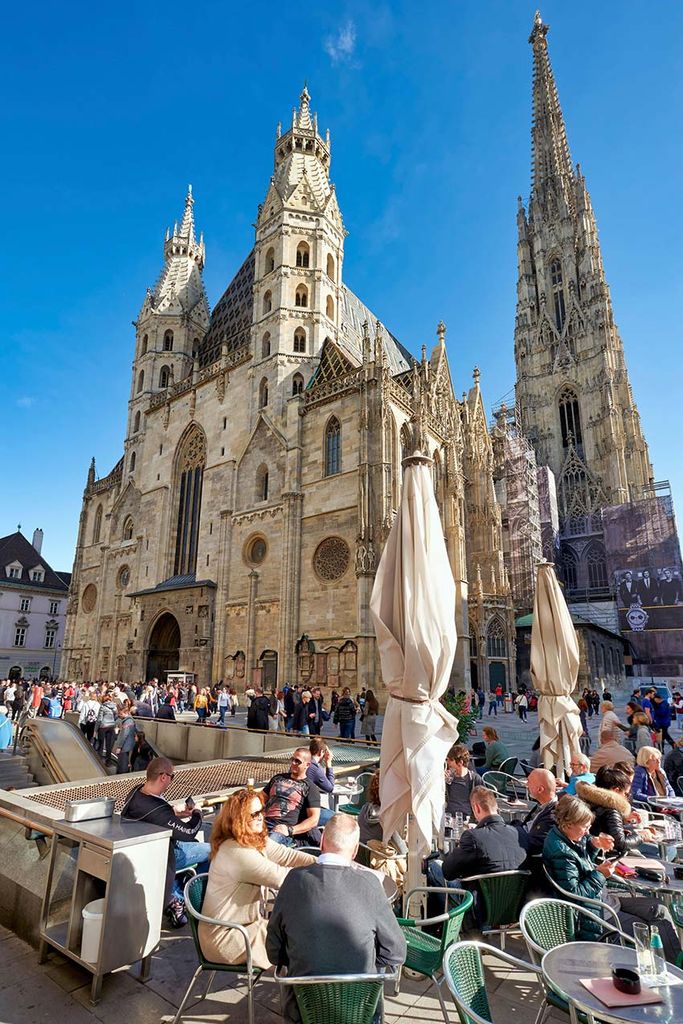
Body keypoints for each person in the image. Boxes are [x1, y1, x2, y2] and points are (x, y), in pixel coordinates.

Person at [266, 814, 406, 1024]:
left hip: (302, 1012)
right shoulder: (370, 884)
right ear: (355, 851)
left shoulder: (294, 880)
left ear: (322, 841)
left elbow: (274, 952)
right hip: (360, 1010)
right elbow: (396, 952)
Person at [543, 795, 681, 962]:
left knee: (659, 908)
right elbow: (575, 894)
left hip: (606, 900)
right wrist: (601, 874)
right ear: (569, 823)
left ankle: (676, 966)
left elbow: (581, 864)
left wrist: (594, 846)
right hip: (595, 913)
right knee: (649, 928)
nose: (588, 831)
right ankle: (673, 969)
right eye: (585, 827)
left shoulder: (569, 837)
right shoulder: (561, 851)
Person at [199, 788, 315, 969]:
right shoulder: (237, 852)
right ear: (239, 819)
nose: (261, 816)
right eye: (254, 814)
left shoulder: (252, 838)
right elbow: (282, 877)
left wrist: (325, 863)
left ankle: (297, 985)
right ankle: (299, 990)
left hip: (248, 926)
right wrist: (326, 873)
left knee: (295, 934)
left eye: (262, 810)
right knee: (299, 940)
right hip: (227, 936)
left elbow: (289, 856)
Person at [121, 756, 210, 927]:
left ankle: (174, 893)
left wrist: (174, 812)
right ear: (163, 777)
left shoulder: (136, 791)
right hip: (164, 854)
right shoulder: (157, 809)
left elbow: (158, 816)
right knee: (213, 850)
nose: (171, 781)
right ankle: (182, 898)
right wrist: (198, 812)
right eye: (171, 777)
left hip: (144, 850)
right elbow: (189, 832)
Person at [576, 764, 655, 857]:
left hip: (590, 852)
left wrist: (623, 819)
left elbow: (602, 825)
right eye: (626, 794)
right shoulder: (611, 810)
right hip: (608, 856)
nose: (627, 797)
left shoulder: (590, 799)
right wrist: (642, 836)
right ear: (616, 791)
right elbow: (620, 844)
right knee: (656, 851)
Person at [263, 747, 321, 846]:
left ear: (307, 765)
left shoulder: (311, 787)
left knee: (268, 845)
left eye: (297, 761)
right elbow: (260, 798)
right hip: (263, 822)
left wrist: (290, 830)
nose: (293, 763)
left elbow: (314, 819)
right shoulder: (278, 778)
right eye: (292, 759)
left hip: (282, 829)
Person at [358, 769, 408, 854]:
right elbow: (403, 852)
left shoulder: (365, 809)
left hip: (363, 858)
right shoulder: (389, 820)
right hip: (383, 862)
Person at [514, 768, 558, 857]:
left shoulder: (553, 815)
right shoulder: (542, 805)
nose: (526, 785)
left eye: (529, 782)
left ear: (540, 789)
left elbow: (535, 845)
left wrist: (511, 834)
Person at [444, 744, 483, 816]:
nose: (448, 762)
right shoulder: (448, 778)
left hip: (468, 819)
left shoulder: (474, 779)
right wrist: (442, 782)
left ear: (460, 762)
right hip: (449, 817)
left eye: (450, 760)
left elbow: (484, 802)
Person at [306, 739, 335, 826]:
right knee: (338, 819)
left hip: (299, 807)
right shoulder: (315, 768)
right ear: (322, 752)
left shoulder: (305, 762)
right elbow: (330, 788)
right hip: (307, 812)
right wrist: (328, 763)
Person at [113, 704, 136, 773]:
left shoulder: (127, 722)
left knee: (122, 764)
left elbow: (124, 735)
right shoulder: (130, 721)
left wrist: (119, 747)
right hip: (128, 745)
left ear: (125, 713)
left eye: (121, 714)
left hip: (125, 747)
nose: (119, 715)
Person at [96, 692, 119, 764]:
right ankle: (108, 761)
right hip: (111, 726)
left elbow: (99, 719)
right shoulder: (114, 707)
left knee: (101, 744)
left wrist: (96, 729)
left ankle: (99, 761)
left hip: (103, 726)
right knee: (109, 745)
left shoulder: (103, 707)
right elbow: (116, 716)